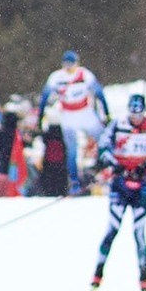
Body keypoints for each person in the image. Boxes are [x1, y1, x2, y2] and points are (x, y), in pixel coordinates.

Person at [92, 94, 146, 291]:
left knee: (139, 233)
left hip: (141, 186)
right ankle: (97, 275)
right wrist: (115, 163)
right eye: (133, 113)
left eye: (139, 113)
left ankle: (144, 278)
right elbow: (103, 146)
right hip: (119, 185)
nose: (136, 117)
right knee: (112, 229)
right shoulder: (117, 125)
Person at [37, 50, 110, 194]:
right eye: (66, 64)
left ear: (77, 63)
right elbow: (44, 97)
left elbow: (99, 93)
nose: (69, 67)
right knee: (72, 150)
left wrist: (107, 114)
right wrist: (40, 117)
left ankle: (104, 168)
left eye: (72, 64)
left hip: (84, 111)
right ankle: (74, 182)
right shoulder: (57, 77)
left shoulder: (84, 74)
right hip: (68, 114)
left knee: (103, 139)